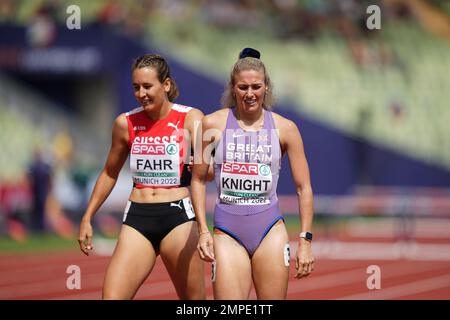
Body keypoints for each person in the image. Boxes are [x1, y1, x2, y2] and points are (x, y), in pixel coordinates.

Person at [78, 54, 206, 300]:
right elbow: (108, 173)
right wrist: (87, 216)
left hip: (177, 217)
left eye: (147, 86)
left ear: (166, 85)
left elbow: (207, 174)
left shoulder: (193, 118)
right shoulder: (124, 124)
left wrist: (197, 161)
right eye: (136, 87)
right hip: (138, 217)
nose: (141, 93)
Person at [191, 48, 315, 299]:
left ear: (266, 87)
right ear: (233, 88)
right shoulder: (210, 124)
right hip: (227, 231)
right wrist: (203, 230)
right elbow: (197, 179)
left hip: (270, 229)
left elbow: (304, 189)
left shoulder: (286, 129)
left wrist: (305, 240)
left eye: (256, 87)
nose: (250, 94)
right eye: (243, 87)